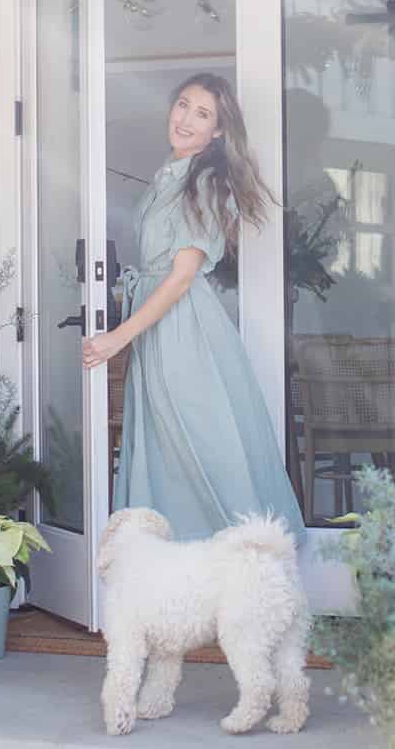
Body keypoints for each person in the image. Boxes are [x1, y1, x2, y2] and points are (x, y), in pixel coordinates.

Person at [82, 73, 306, 542]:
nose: (185, 119)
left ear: (218, 131)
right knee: (167, 458)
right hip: (161, 331)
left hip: (183, 334)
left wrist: (116, 338)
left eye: (202, 114)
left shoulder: (203, 182)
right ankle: (177, 587)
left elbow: (182, 277)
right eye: (182, 105)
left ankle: (257, 572)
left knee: (204, 452)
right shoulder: (169, 177)